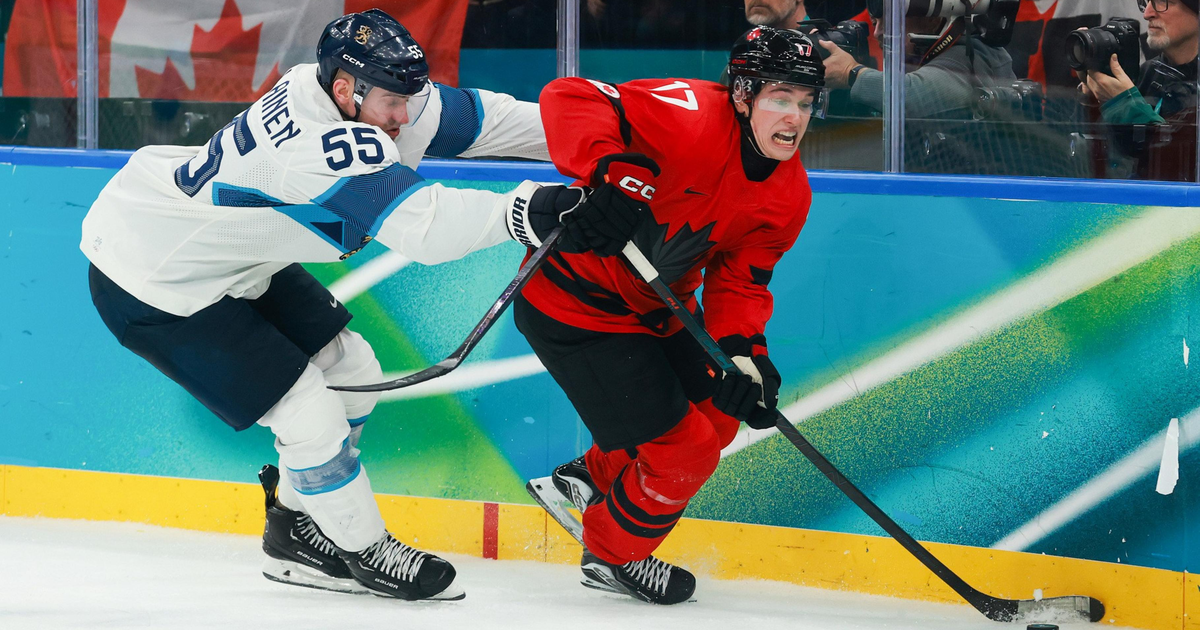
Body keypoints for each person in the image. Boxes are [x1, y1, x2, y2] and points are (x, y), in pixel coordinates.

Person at [80, 8, 611, 602]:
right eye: (393, 103)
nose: (404, 117)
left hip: (222, 256)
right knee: (307, 410)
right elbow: (427, 228)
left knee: (352, 372)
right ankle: (362, 548)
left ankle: (293, 533)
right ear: (345, 90)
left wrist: (602, 133)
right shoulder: (315, 144)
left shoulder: (361, 92)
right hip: (152, 273)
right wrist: (535, 207)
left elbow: (481, 122)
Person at [506, 26, 824, 605]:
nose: (794, 117)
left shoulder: (788, 194)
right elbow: (569, 96)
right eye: (780, 98)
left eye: (805, 103)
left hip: (661, 307)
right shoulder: (690, 116)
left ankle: (588, 481)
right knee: (687, 452)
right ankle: (610, 552)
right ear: (743, 95)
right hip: (576, 305)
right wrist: (610, 171)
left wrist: (743, 352)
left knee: (721, 416)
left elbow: (740, 280)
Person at [817, 4, 1016, 119]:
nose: (877, 32)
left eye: (891, 19)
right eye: (875, 22)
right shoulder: (930, 56)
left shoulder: (973, 55)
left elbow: (911, 96)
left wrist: (851, 73)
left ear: (932, 20)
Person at [1078, 0, 1197, 181]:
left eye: (1162, 2)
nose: (1147, 13)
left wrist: (1124, 105)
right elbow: (1120, 157)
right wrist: (1092, 100)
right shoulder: (1149, 72)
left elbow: (1184, 161)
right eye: (1145, 2)